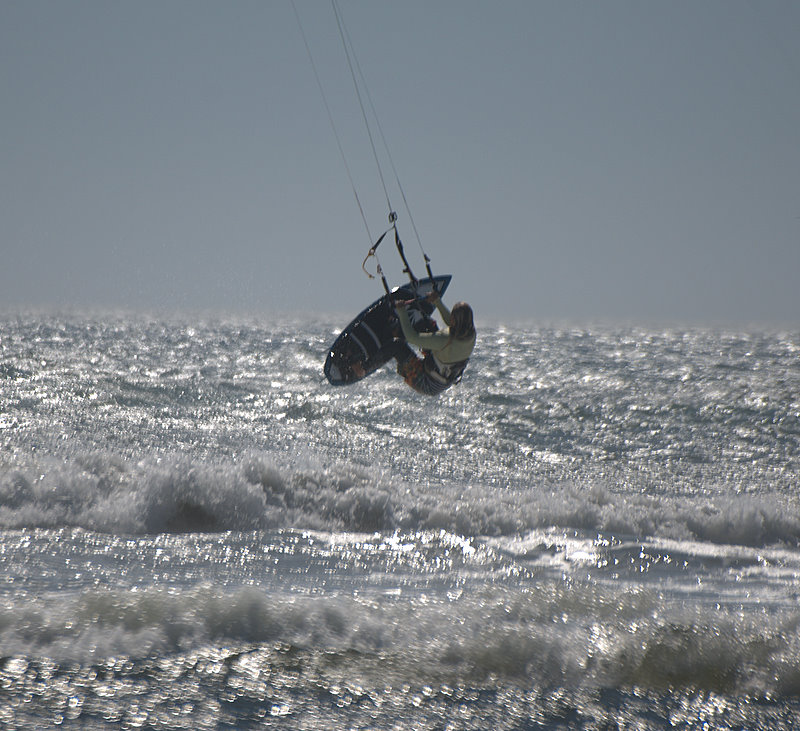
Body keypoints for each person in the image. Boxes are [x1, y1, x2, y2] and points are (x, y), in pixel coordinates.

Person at [392, 291, 476, 395]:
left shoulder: (444, 339)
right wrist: (437, 302)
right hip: (441, 378)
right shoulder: (471, 334)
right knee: (429, 325)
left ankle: (366, 367)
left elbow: (412, 337)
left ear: (454, 319)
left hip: (425, 383)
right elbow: (451, 321)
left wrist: (402, 312)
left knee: (397, 345)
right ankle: (400, 328)